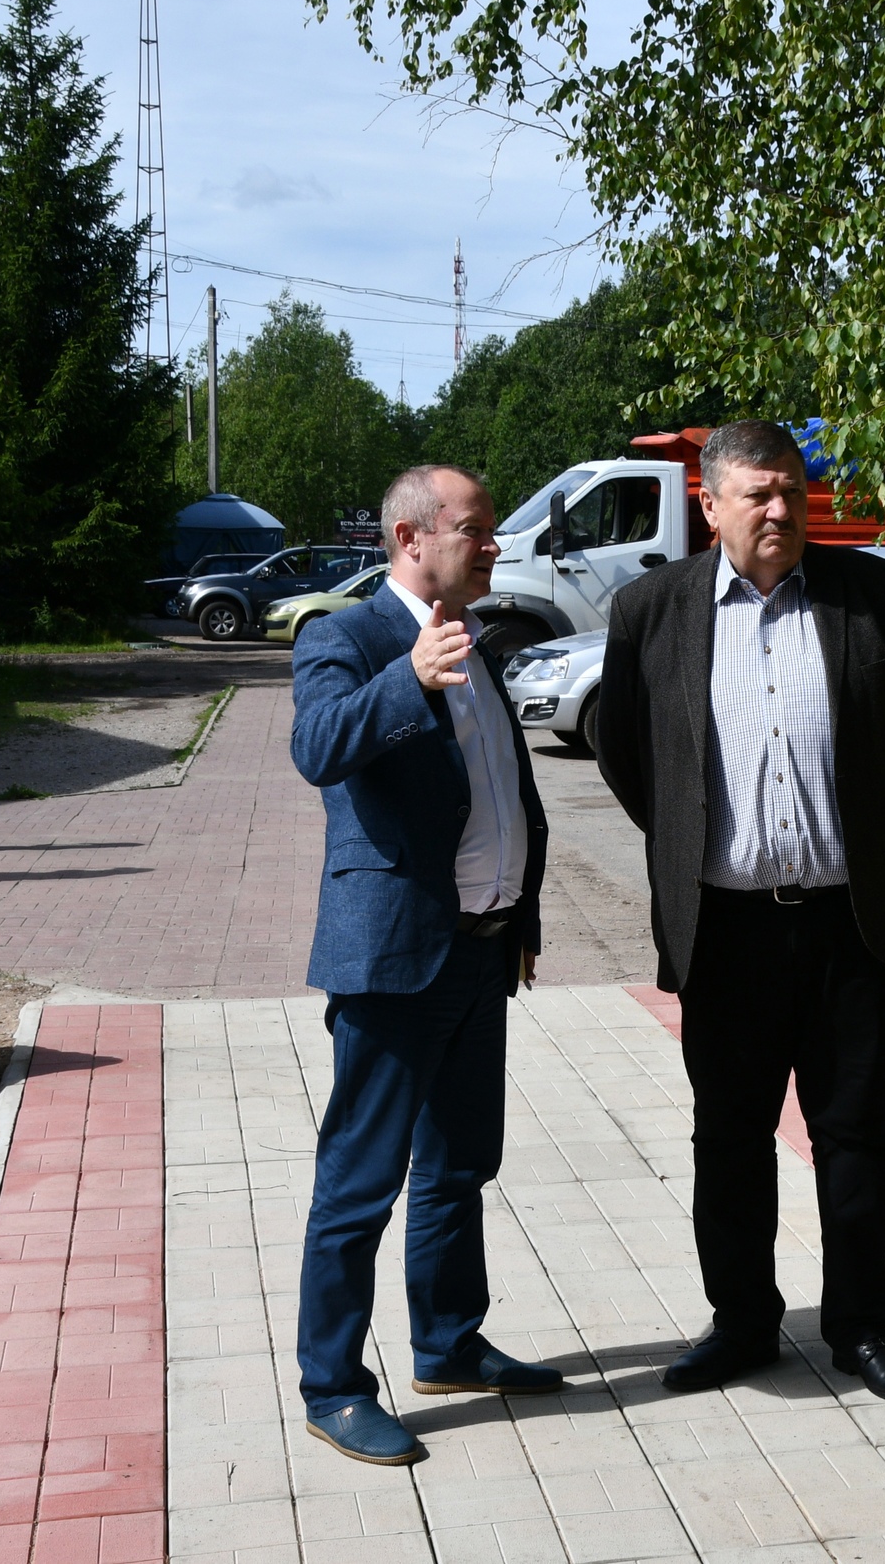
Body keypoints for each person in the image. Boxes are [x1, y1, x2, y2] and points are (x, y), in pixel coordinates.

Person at [596, 418, 885, 1405]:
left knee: (854, 1135)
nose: (781, 510)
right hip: (726, 929)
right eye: (757, 494)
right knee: (731, 1136)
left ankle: (861, 1329)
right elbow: (629, 751)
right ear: (709, 506)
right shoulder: (649, 610)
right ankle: (743, 1322)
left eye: (791, 490)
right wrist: (690, 835)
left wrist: (867, 834)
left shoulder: (869, 595)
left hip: (850, 924)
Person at [287, 464, 563, 1467]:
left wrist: (519, 909)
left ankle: (446, 1345)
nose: (494, 545)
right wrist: (406, 678)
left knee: (457, 1166)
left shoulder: (475, 639)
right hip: (394, 961)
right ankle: (332, 1385)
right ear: (411, 537)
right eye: (477, 530)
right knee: (359, 1183)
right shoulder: (346, 635)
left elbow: (501, 789)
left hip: (478, 952)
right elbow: (316, 746)